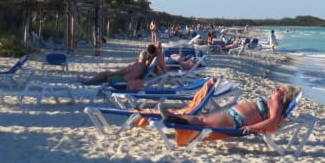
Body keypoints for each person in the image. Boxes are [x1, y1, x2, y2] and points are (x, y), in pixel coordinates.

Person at [159, 84, 301, 134]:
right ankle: (173, 118)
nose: (274, 89)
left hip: (237, 120)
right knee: (203, 119)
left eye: (278, 89)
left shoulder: (277, 103)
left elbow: (273, 121)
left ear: (284, 95)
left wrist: (252, 128)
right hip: (234, 116)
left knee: (203, 120)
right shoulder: (273, 101)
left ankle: (172, 119)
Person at [81, 43, 165, 88]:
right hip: (124, 80)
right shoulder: (144, 65)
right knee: (106, 76)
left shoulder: (138, 65)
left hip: (121, 82)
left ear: (141, 57)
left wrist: (111, 73)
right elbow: (154, 54)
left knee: (105, 74)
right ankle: (90, 80)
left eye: (139, 55)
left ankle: (88, 81)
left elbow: (122, 72)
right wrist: (156, 51)